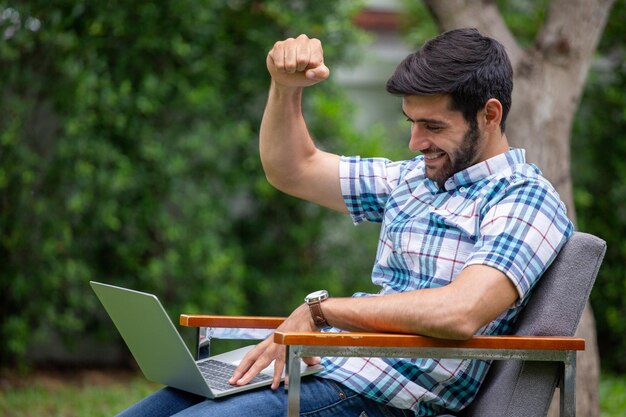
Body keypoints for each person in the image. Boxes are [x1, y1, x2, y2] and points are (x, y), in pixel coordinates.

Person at [118, 28, 573, 417]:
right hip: (325, 367)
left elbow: (460, 312)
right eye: (411, 123)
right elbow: (292, 169)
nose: (416, 142)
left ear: (489, 114)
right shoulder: (415, 179)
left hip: (381, 397)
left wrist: (321, 311)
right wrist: (284, 86)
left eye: (432, 126)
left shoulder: (524, 198)